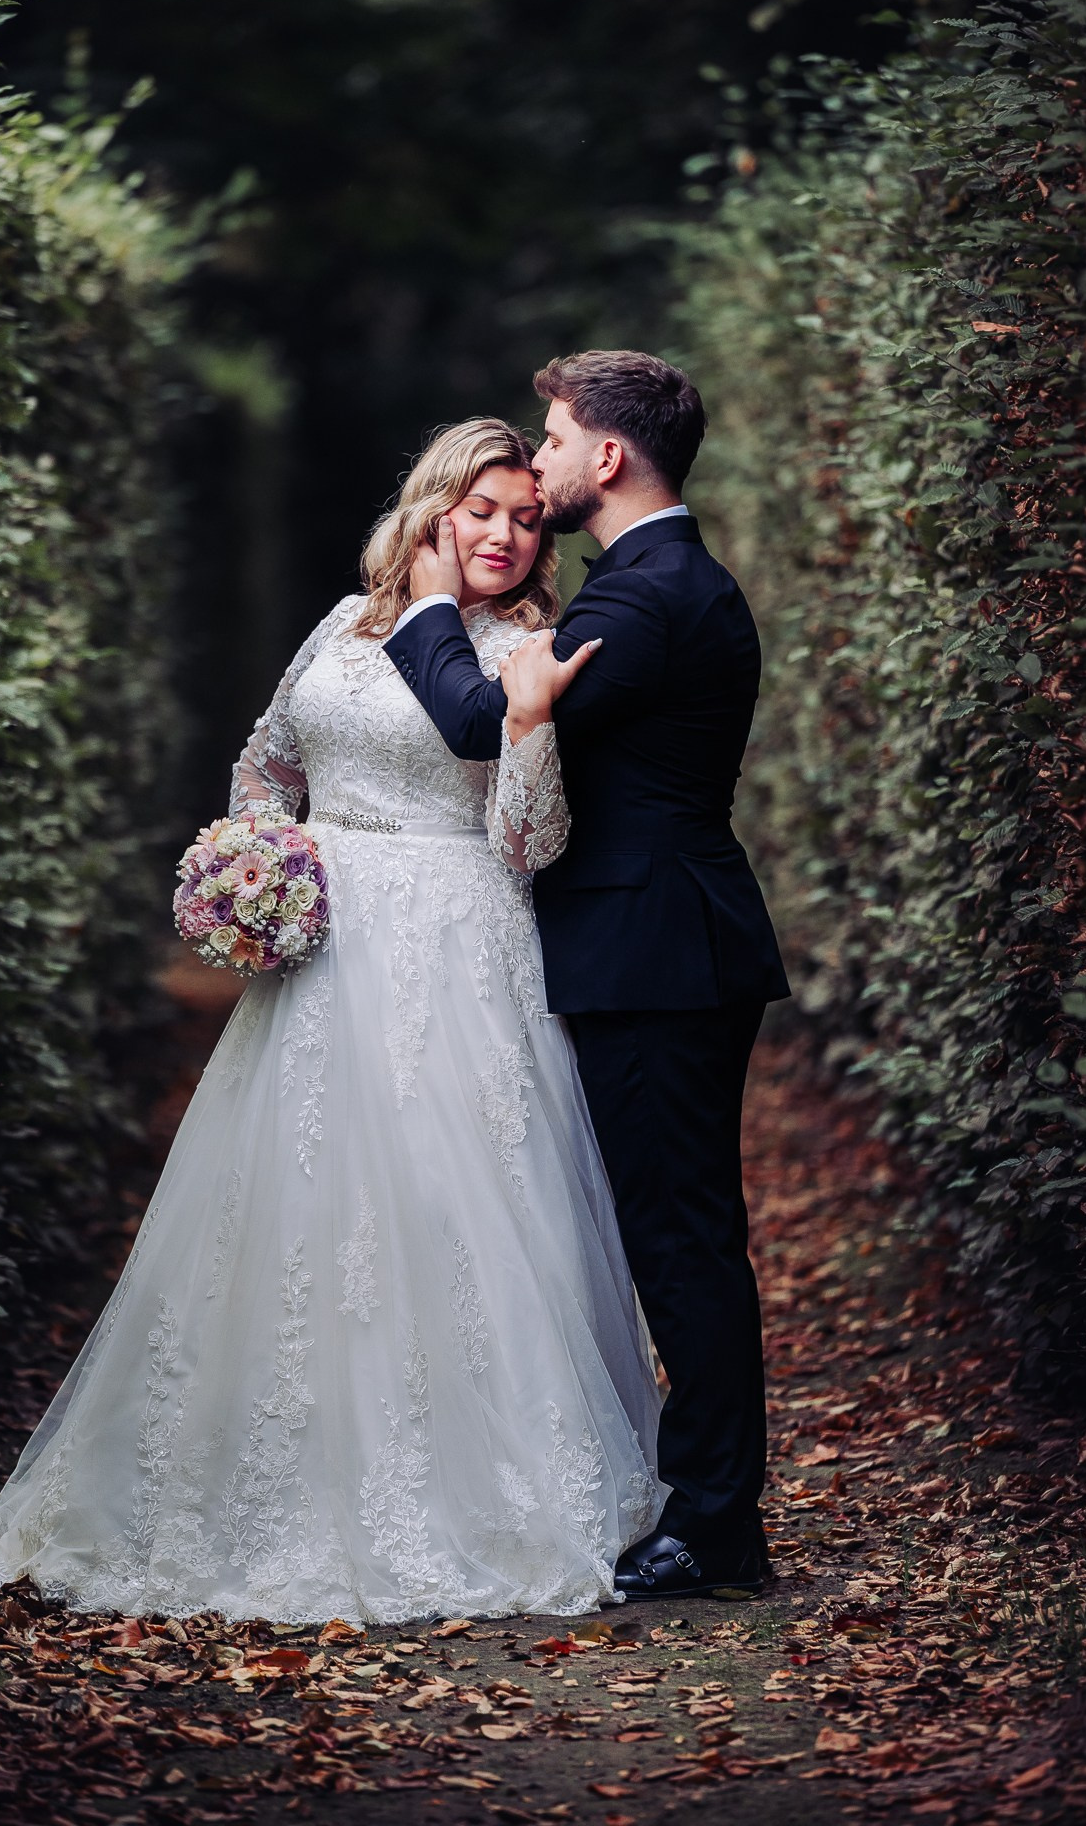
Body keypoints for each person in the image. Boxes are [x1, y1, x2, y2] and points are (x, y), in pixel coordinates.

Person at [0, 418, 664, 1625]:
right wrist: (261, 858)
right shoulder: (343, 624)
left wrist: (530, 725)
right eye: (483, 510)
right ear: (434, 509)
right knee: (294, 1198)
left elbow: (530, 841)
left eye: (525, 516)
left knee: (450, 1200)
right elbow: (267, 759)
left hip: (454, 941)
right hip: (325, 943)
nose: (505, 534)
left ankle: (468, 1481)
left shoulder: (529, 647)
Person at [385, 351, 790, 1599]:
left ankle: (714, 1524)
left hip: (657, 951)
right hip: (667, 941)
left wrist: (424, 608)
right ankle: (714, 1509)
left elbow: (482, 719)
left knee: (681, 1240)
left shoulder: (645, 596)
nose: (543, 456)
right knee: (681, 1234)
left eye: (555, 438)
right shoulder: (658, 578)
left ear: (608, 455)